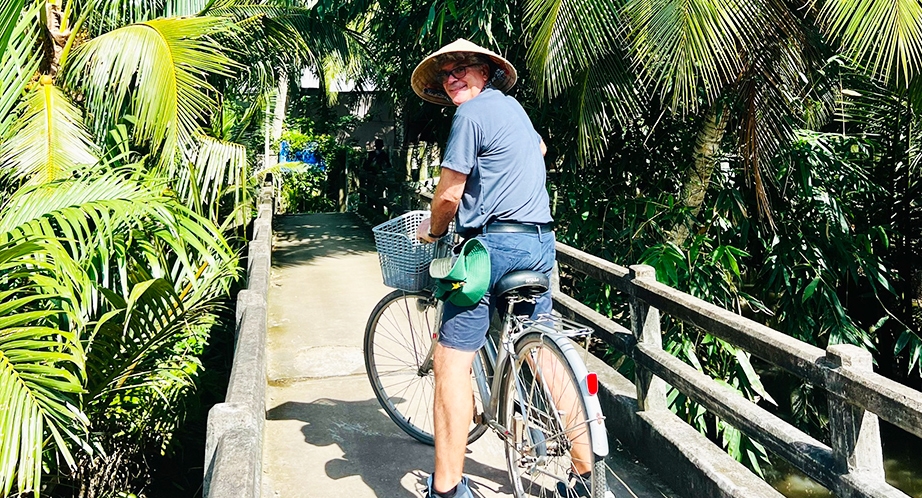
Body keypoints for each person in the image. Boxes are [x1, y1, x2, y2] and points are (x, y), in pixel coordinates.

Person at [412, 39, 591, 498]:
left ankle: (447, 488)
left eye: (462, 69)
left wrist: (433, 233)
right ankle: (587, 475)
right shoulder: (514, 110)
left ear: (484, 73)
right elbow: (541, 148)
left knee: (451, 362)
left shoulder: (469, 116)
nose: (453, 78)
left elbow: (449, 195)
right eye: (446, 74)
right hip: (538, 243)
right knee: (544, 352)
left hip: (490, 249)